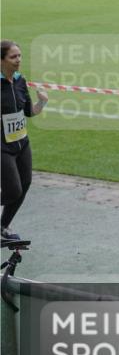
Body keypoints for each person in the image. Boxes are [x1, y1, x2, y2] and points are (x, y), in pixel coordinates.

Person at [1, 40, 48, 242]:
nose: (18, 60)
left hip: (22, 143)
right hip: (2, 147)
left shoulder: (20, 81)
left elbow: (29, 112)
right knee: (13, 189)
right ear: (1, 60)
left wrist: (42, 102)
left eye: (19, 55)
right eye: (13, 57)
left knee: (25, 183)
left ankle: (3, 226)